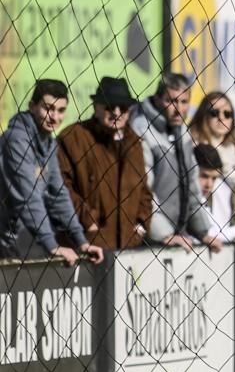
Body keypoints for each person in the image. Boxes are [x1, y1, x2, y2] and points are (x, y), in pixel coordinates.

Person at [0, 79, 104, 265]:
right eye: (48, 108)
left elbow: (58, 195)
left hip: (12, 238)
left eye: (61, 110)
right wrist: (51, 244)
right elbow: (27, 195)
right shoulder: (16, 140)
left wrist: (80, 241)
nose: (54, 117)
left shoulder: (48, 143)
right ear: (32, 106)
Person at [57, 76, 153, 251]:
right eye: (109, 106)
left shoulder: (134, 143)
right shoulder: (73, 138)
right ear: (96, 107)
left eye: (122, 107)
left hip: (127, 248)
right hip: (86, 247)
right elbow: (61, 187)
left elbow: (144, 192)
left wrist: (140, 226)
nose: (116, 112)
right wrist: (88, 221)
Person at [129, 73, 221, 253]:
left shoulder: (181, 131)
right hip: (147, 240)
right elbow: (143, 193)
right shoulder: (141, 131)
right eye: (171, 101)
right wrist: (164, 234)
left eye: (184, 102)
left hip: (177, 238)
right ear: (157, 100)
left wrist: (204, 232)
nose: (178, 109)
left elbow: (193, 188)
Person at [194, 143, 235, 245]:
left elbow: (215, 230)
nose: (209, 184)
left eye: (214, 178)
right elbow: (205, 235)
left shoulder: (219, 191)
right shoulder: (181, 195)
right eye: (204, 176)